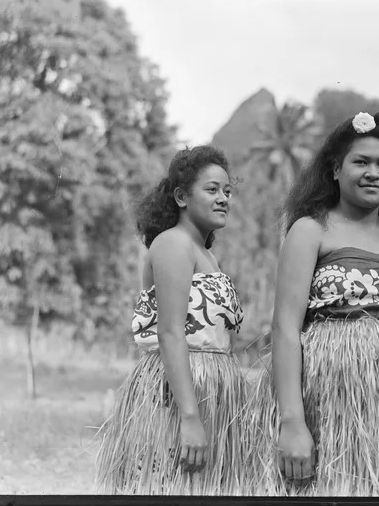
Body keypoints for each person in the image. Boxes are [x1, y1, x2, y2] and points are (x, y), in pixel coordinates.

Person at [247, 111, 379, 497]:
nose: (374, 172)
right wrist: (292, 421)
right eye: (361, 162)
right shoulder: (310, 230)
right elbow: (286, 329)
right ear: (336, 170)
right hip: (323, 403)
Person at [95, 146, 250, 495]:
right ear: (181, 196)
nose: (223, 198)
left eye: (227, 191)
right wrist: (190, 417)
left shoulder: (204, 253)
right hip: (176, 396)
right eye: (212, 190)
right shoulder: (173, 244)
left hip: (210, 389)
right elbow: (170, 332)